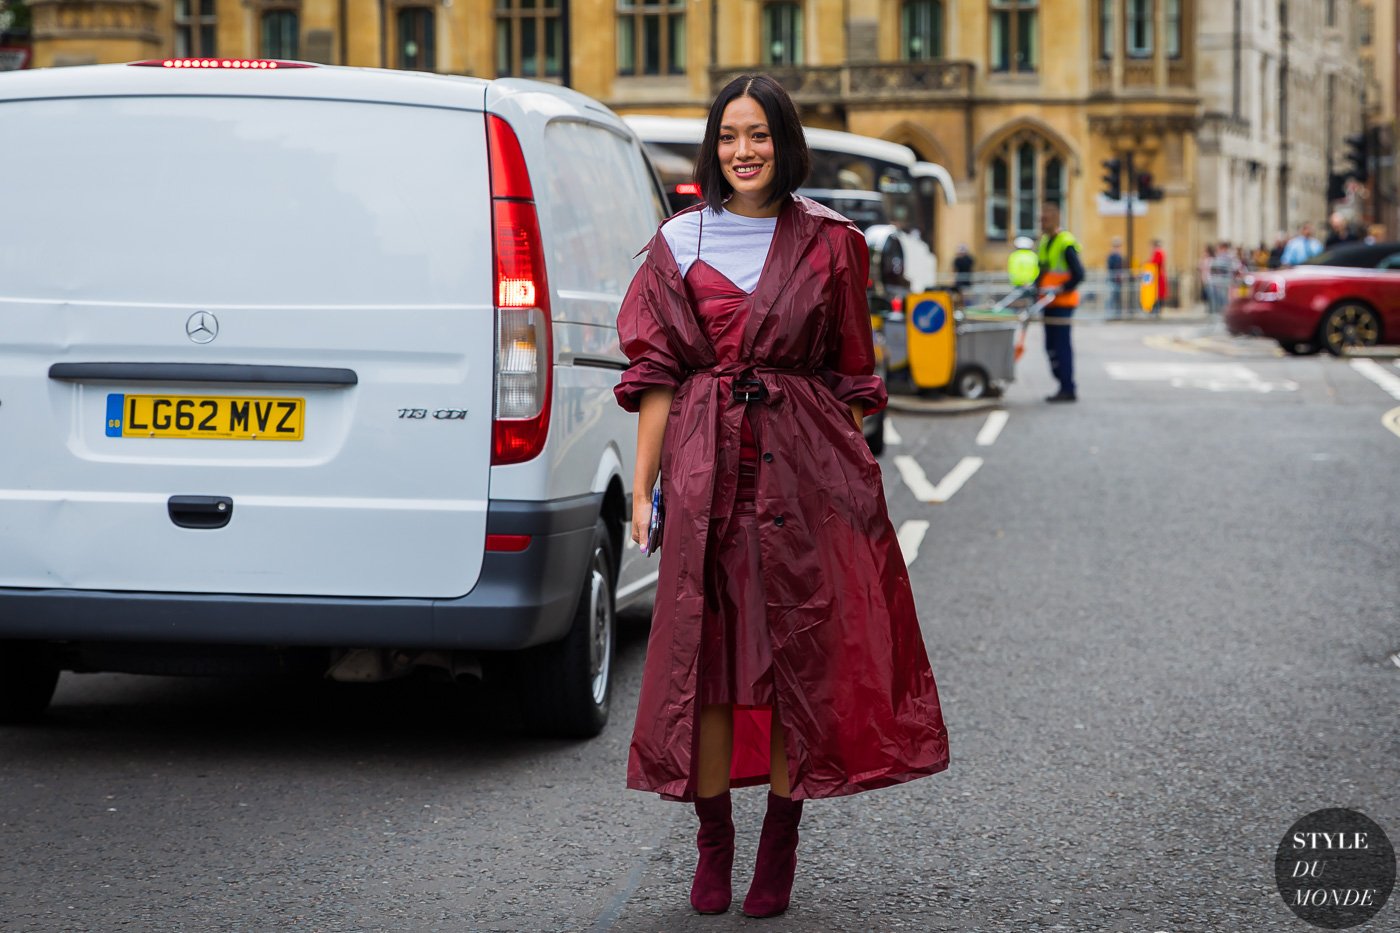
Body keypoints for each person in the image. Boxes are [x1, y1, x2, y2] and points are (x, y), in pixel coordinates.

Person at [613, 74, 949, 919]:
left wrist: (851, 485)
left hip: (804, 477)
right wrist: (646, 485)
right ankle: (714, 839)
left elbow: (852, 374)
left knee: (801, 657)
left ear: (784, 141)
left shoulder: (833, 242)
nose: (743, 151)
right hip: (703, 471)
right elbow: (657, 375)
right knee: (709, 663)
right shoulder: (675, 239)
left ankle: (779, 843)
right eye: (729, 136)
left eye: (758, 134)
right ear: (712, 146)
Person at [1035, 202, 1084, 402]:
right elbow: (1043, 271)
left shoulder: (1065, 243)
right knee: (1050, 346)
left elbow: (1079, 274)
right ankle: (1062, 382)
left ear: (1054, 219)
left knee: (1061, 346)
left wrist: (1061, 288)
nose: (1041, 222)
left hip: (1062, 304)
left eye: (1045, 219)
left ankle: (1067, 387)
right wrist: (1034, 288)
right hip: (1048, 303)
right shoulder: (1046, 242)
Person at [1106, 236, 1125, 319]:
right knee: (1112, 297)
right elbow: (1112, 267)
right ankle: (1112, 314)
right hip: (1113, 280)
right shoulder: (1112, 256)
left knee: (1117, 297)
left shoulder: (1119, 256)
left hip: (1118, 280)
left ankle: (1117, 314)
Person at [1148, 238, 1168, 313]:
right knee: (1157, 294)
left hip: (1158, 277)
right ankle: (1157, 309)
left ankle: (1157, 309)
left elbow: (1154, 263)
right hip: (1157, 276)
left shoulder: (1158, 253)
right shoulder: (1159, 253)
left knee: (1158, 294)